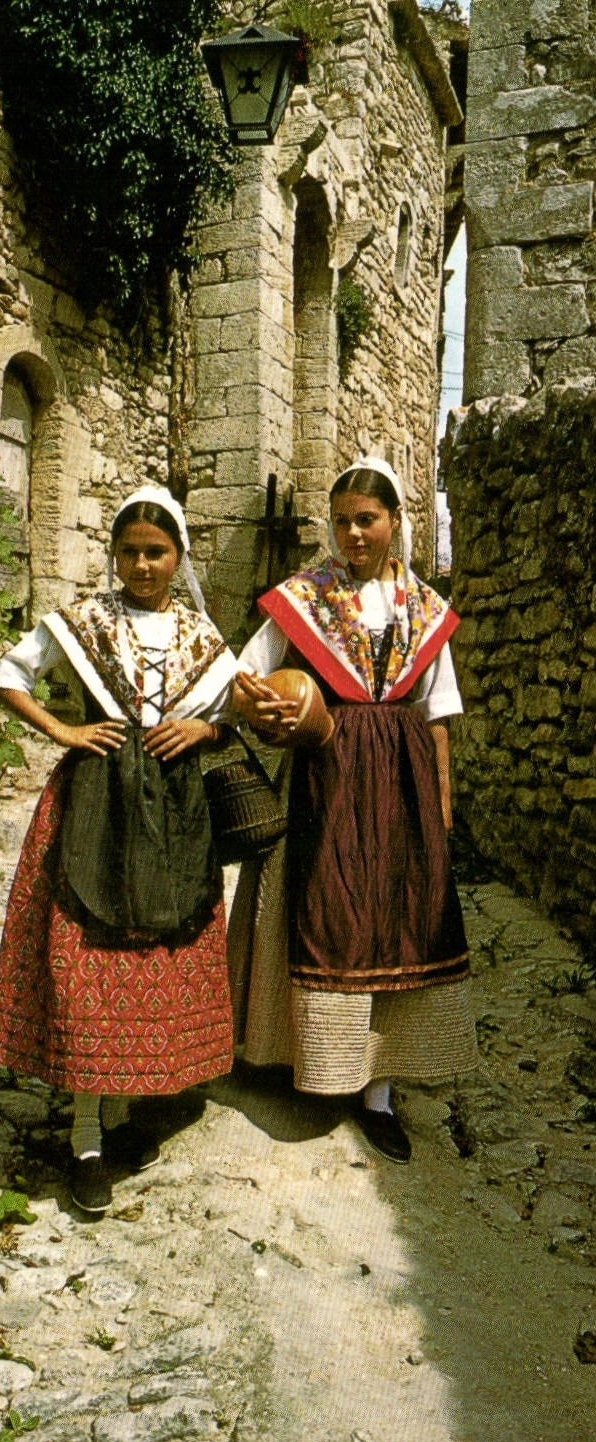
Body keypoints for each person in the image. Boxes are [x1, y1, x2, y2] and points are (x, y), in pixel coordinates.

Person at [0, 486, 238, 1214]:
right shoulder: (86, 622)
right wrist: (64, 732)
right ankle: (86, 1136)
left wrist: (202, 730)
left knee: (152, 955)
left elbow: (230, 711)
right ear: (114, 556)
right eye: (129, 551)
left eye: (156, 552)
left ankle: (124, 1113)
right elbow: (8, 675)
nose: (142, 565)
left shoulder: (198, 634)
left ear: (178, 556)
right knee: (87, 957)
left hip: (173, 811)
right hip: (96, 800)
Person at [226, 457, 477, 1163]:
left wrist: (441, 806)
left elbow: (437, 713)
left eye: (366, 520)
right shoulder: (307, 597)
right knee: (324, 909)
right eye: (341, 522)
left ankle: (380, 1094)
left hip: (402, 782)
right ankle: (311, 1063)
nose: (353, 534)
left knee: (397, 921)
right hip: (325, 775)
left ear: (395, 521)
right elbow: (244, 674)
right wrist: (264, 705)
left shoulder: (422, 609)